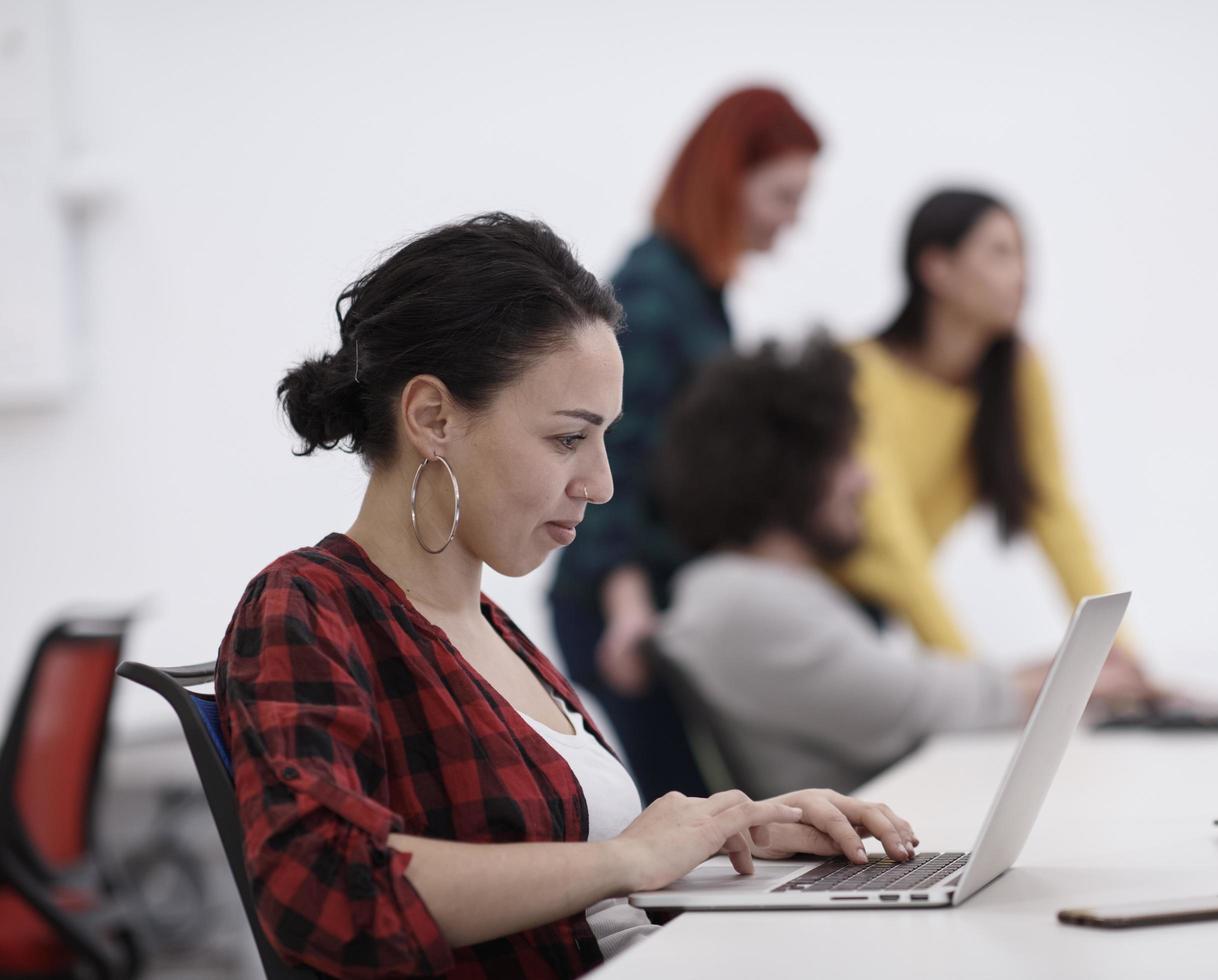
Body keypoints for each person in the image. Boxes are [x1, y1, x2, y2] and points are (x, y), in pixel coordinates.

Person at [216, 214, 919, 979]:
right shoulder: (307, 607)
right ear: (432, 418)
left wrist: (726, 834)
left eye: (606, 438)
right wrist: (627, 858)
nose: (602, 483)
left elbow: (578, 880)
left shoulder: (490, 628)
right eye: (566, 439)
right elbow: (325, 887)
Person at [653, 339, 1139, 799]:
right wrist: (1083, 683)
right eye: (845, 457)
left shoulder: (759, 592)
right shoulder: (741, 600)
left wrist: (1061, 673)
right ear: (787, 466)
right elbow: (918, 707)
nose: (866, 480)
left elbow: (910, 688)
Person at [548, 86, 822, 800]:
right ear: (726, 180)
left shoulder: (700, 293)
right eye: (783, 196)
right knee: (685, 809)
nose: (794, 221)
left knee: (703, 807)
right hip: (618, 609)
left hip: (652, 602)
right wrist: (629, 607)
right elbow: (615, 456)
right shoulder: (654, 290)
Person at [836, 189, 1151, 690]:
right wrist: (978, 688)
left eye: (1023, 254)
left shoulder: (1018, 373)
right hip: (815, 609)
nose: (1023, 275)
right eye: (1001, 253)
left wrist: (1124, 660)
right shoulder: (860, 372)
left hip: (876, 621)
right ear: (936, 268)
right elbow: (892, 539)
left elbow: (1054, 513)